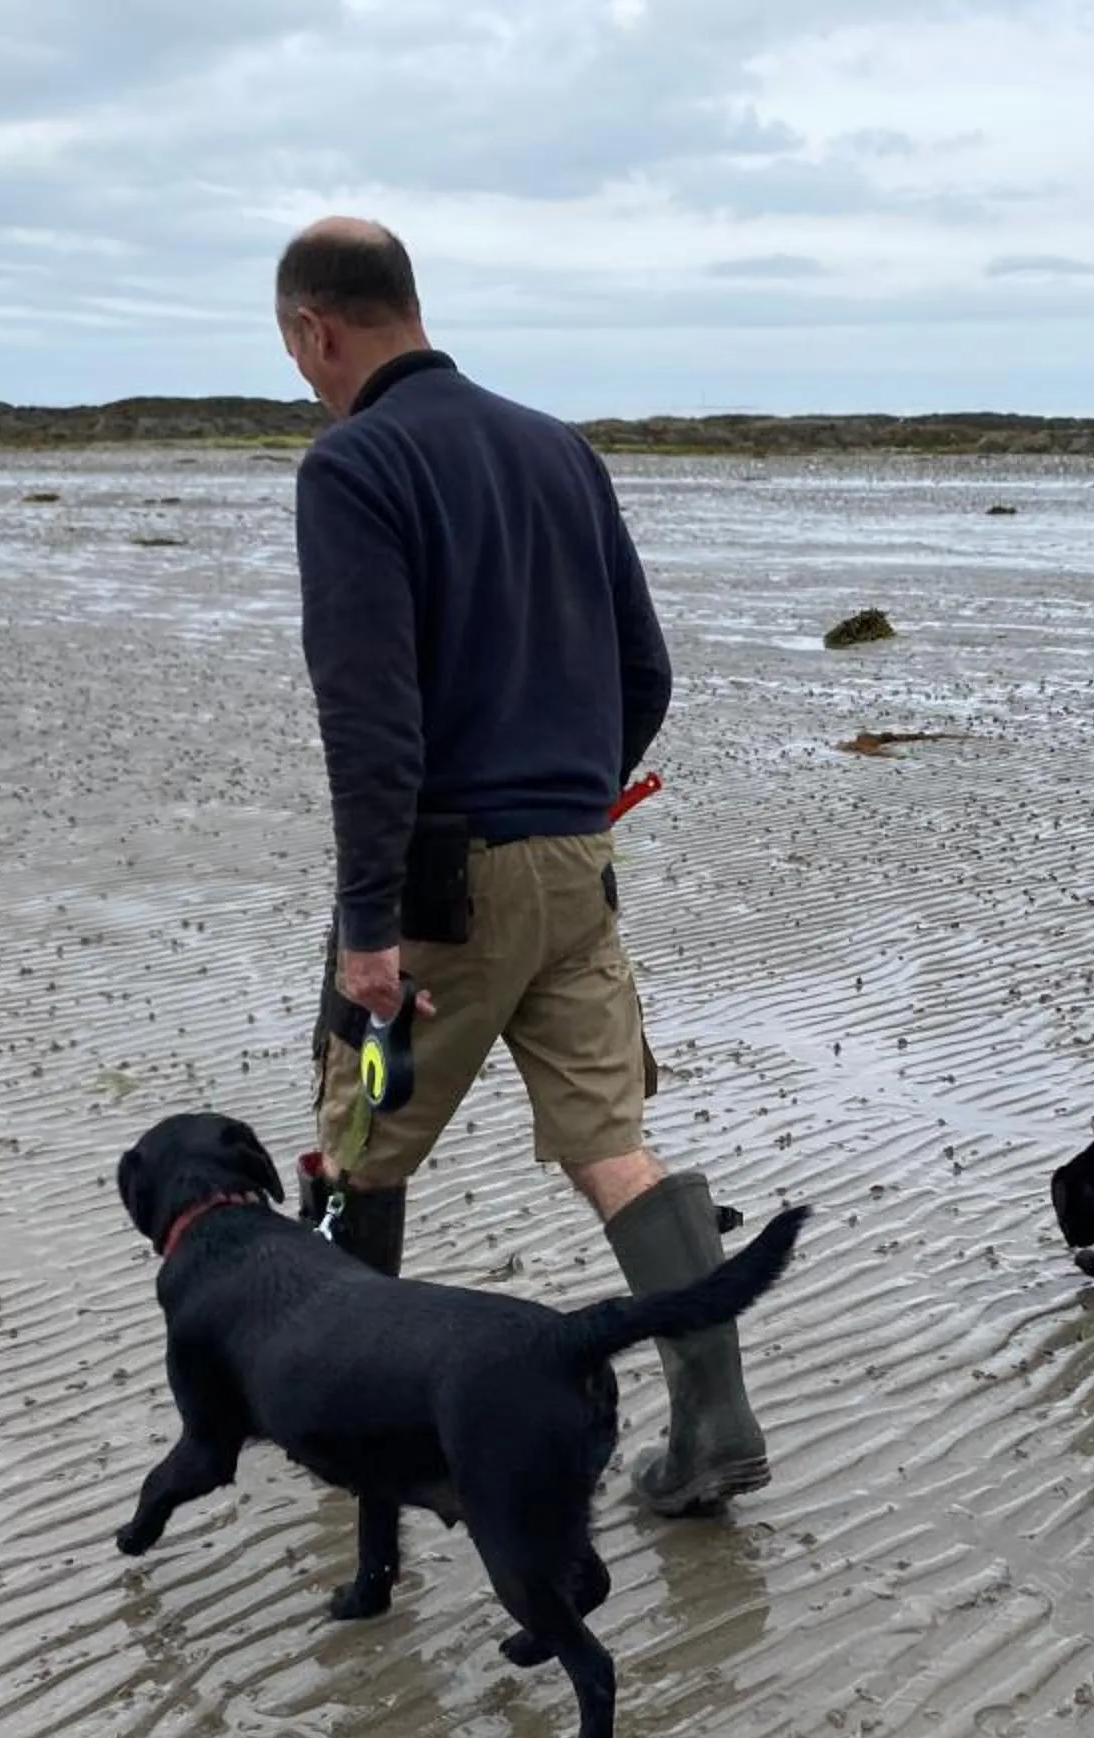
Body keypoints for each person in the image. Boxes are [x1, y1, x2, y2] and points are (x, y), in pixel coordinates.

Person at [274, 216, 774, 1518]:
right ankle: (716, 1423)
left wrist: (371, 929)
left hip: (441, 898)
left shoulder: (353, 466)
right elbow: (646, 670)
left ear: (315, 332)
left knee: (358, 1140)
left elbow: (371, 723)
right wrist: (572, 797)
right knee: (613, 1144)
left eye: (299, 355)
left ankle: (358, 1426)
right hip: (578, 871)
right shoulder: (561, 449)